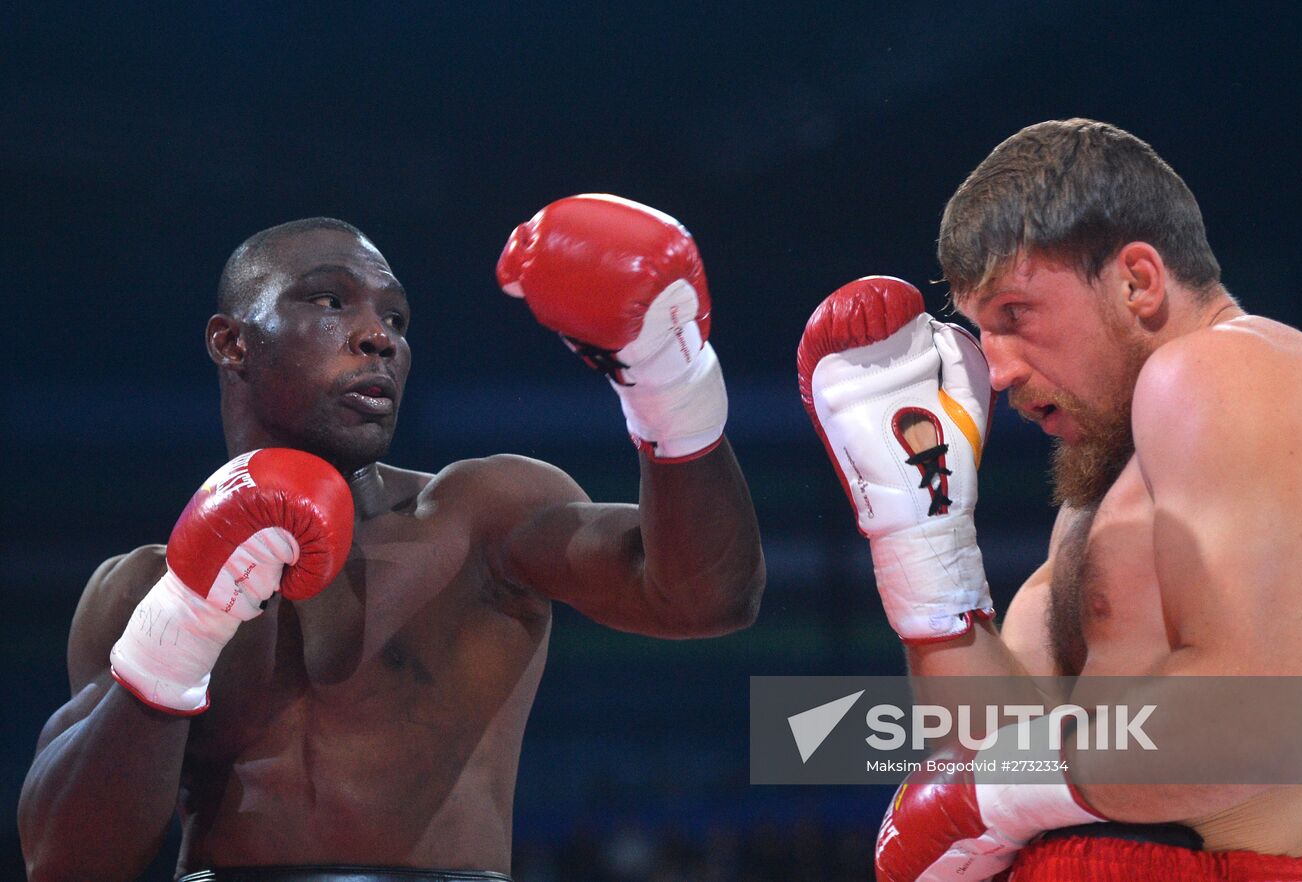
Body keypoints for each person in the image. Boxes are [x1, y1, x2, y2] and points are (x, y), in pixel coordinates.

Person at [19, 195, 766, 882]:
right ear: (231, 343)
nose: (380, 336)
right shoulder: (140, 588)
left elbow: (706, 600)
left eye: (398, 319)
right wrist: (181, 628)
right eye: (330, 300)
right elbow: (66, 861)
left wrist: (670, 387)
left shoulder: (482, 514)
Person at [798, 119, 1302, 881]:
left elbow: (1265, 719)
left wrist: (997, 795)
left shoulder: (1226, 371)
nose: (1001, 371)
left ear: (1138, 281)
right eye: (984, 335)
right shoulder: (1108, 480)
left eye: (1016, 316)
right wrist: (920, 544)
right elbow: (995, 747)